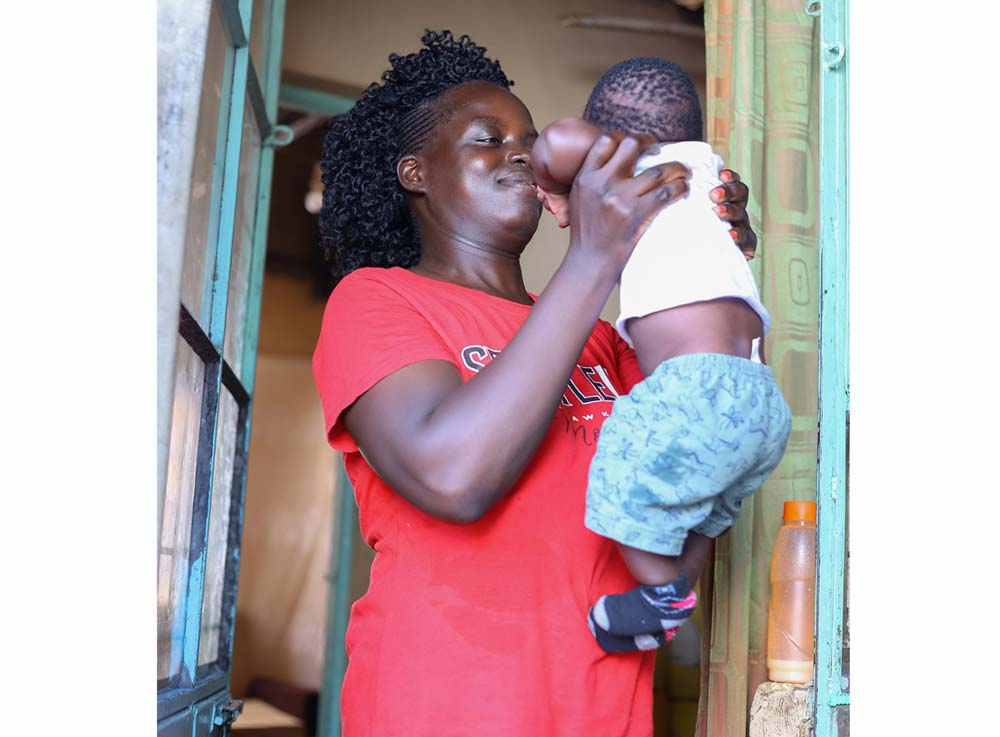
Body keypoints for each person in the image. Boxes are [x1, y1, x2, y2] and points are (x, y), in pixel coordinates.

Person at [312, 31, 758, 737]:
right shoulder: (376, 301)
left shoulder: (607, 343)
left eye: (529, 136)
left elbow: (688, 520)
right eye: (490, 138)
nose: (520, 152)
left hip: (602, 712)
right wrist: (593, 257)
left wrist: (706, 266)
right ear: (415, 173)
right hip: (443, 710)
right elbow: (453, 475)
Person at [530, 57, 792, 653]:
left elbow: (558, 141)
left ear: (613, 142)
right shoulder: (706, 171)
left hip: (692, 386)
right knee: (693, 509)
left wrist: (558, 190)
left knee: (622, 464)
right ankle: (669, 595)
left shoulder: (630, 166)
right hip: (759, 393)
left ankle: (660, 597)